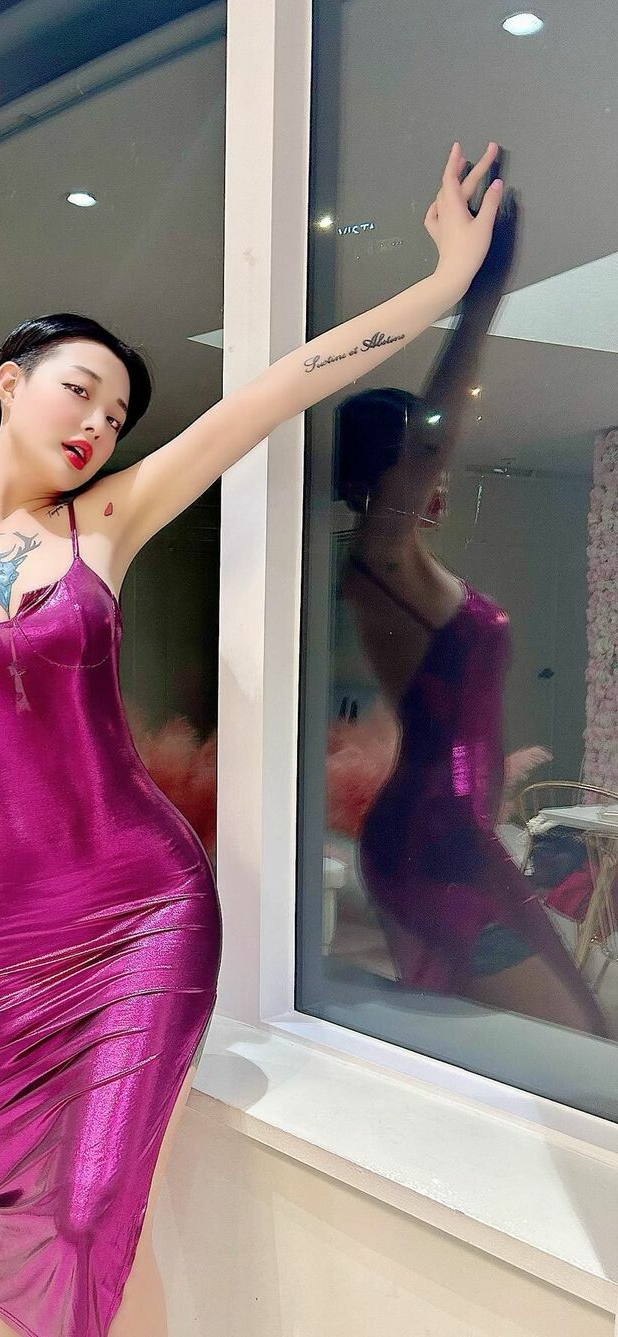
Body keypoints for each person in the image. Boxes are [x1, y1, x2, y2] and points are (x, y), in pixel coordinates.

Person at [0, 141, 506, 1337]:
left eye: (116, 413)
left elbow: (274, 391)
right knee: (21, 1217)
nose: (99, 422)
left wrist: (444, 284)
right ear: (9, 382)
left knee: (91, 1212)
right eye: (79, 390)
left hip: (141, 911)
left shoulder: (106, 520)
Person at [334, 154, 610, 1040]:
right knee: (576, 1041)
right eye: (418, 462)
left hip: (453, 833)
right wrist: (480, 295)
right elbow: (434, 435)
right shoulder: (378, 557)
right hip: (435, 841)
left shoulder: (402, 566)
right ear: (380, 479)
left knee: (514, 1037)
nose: (439, 475)